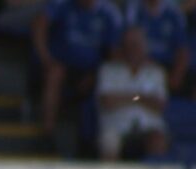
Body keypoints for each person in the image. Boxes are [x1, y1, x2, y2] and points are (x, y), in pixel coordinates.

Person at [32, 0, 123, 135]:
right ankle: (47, 132)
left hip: (92, 70)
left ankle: (97, 142)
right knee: (55, 75)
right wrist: (45, 58)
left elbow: (114, 54)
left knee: (108, 82)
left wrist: (96, 75)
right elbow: (39, 24)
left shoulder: (109, 13)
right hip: (61, 65)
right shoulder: (62, 4)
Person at [96, 26, 168, 160]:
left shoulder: (156, 72)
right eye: (128, 45)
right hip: (117, 126)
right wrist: (141, 98)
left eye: (136, 44)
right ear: (122, 46)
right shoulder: (108, 70)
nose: (132, 49)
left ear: (144, 47)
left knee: (158, 138)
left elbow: (160, 105)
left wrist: (126, 97)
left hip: (148, 126)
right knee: (109, 141)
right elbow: (108, 102)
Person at [123, 0, 189, 94]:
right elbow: (129, 43)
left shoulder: (174, 13)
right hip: (141, 65)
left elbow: (182, 50)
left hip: (167, 66)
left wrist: (175, 76)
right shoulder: (134, 9)